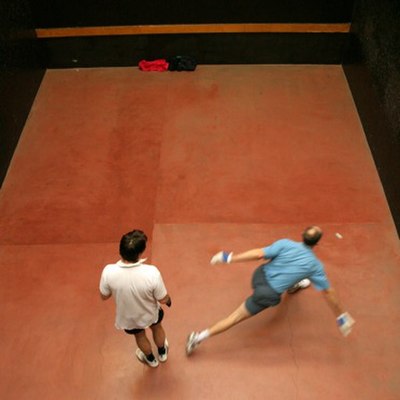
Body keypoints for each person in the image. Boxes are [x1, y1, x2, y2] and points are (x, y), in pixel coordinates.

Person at [186, 226, 355, 355]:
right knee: (235, 317)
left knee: (291, 274)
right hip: (266, 294)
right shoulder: (315, 266)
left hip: (258, 276)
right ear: (317, 243)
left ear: (302, 235)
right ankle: (198, 337)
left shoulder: (285, 244)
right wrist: (341, 316)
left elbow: (259, 254)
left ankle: (293, 285)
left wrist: (228, 258)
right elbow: (328, 292)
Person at [100, 229, 172, 368]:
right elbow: (162, 298)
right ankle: (162, 352)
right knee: (157, 328)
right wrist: (168, 300)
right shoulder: (151, 273)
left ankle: (151, 360)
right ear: (140, 253)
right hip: (151, 313)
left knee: (139, 336)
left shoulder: (108, 271)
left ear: (120, 250)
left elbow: (104, 296)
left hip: (129, 318)